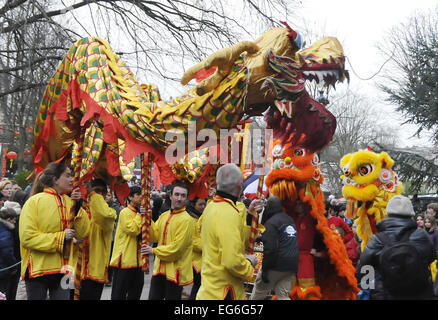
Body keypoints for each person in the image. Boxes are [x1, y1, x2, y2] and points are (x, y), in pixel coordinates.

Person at [19, 162, 90, 300]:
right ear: (55, 179)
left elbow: (83, 233)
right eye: (68, 175)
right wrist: (60, 238)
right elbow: (27, 238)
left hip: (66, 270)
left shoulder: (71, 203)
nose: (72, 179)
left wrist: (77, 209)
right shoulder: (34, 202)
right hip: (38, 269)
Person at [196, 163, 259, 300]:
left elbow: (226, 247)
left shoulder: (211, 207)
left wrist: (249, 214)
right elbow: (232, 261)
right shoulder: (228, 212)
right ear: (239, 186)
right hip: (224, 292)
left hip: (209, 289)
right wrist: (249, 266)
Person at [357, 195, 437, 300]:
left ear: (388, 213)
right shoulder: (421, 235)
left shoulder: (378, 239)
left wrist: (374, 290)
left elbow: (364, 268)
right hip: (419, 293)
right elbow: (432, 257)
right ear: (411, 214)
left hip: (386, 294)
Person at [141, 182, 195, 300]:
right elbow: (155, 237)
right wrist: (147, 220)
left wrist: (153, 250)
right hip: (159, 270)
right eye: (177, 194)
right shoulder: (164, 216)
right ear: (170, 196)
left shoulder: (187, 220)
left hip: (175, 273)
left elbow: (176, 249)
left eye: (183, 195)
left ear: (186, 199)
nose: (179, 198)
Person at [249, 196, 298, 300]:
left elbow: (271, 248)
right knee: (283, 296)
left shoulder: (271, 222)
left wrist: (265, 271)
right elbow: (283, 239)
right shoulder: (289, 220)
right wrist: (262, 238)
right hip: (291, 265)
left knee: (258, 293)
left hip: (275, 265)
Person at [77, 179, 117, 300]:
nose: (99, 194)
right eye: (96, 191)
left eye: (102, 192)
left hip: (94, 272)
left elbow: (102, 215)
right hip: (75, 269)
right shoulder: (80, 210)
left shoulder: (110, 213)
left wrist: (93, 195)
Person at [110, 186, 144, 300]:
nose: (141, 197)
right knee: (119, 294)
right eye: (138, 195)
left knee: (136, 292)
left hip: (138, 261)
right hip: (124, 260)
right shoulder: (125, 212)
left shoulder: (140, 212)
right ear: (130, 197)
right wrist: (140, 216)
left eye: (142, 194)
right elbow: (132, 230)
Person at [186, 197, 206, 300]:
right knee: (199, 286)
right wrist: (209, 245)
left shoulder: (202, 217)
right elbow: (192, 241)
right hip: (194, 261)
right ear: (193, 204)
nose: (203, 207)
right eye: (200, 204)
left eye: (204, 204)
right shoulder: (189, 219)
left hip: (202, 260)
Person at [0, 207, 18, 300]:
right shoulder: (6, 233)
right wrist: (13, 266)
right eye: (14, 220)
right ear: (9, 219)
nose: (15, 222)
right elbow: (6, 251)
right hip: (3, 268)